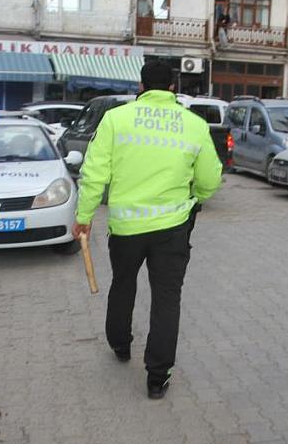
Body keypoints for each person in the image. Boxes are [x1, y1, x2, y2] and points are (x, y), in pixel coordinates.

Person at [72, 60, 222, 399]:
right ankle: (157, 377)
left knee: (123, 284)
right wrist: (195, 197)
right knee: (166, 299)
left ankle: (120, 345)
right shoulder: (194, 124)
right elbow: (211, 179)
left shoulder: (116, 119)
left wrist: (84, 216)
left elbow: (94, 173)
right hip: (172, 228)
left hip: (126, 228)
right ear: (172, 87)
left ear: (141, 86)